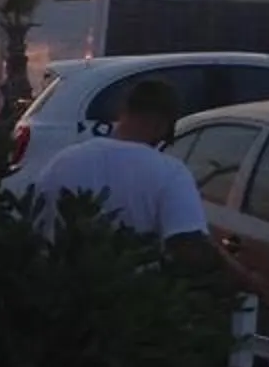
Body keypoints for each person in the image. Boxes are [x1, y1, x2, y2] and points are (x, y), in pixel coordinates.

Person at [29, 76, 209, 244]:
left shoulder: (62, 162)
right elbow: (188, 246)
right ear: (164, 126)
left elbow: (36, 224)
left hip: (56, 274)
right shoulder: (172, 174)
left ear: (123, 112)